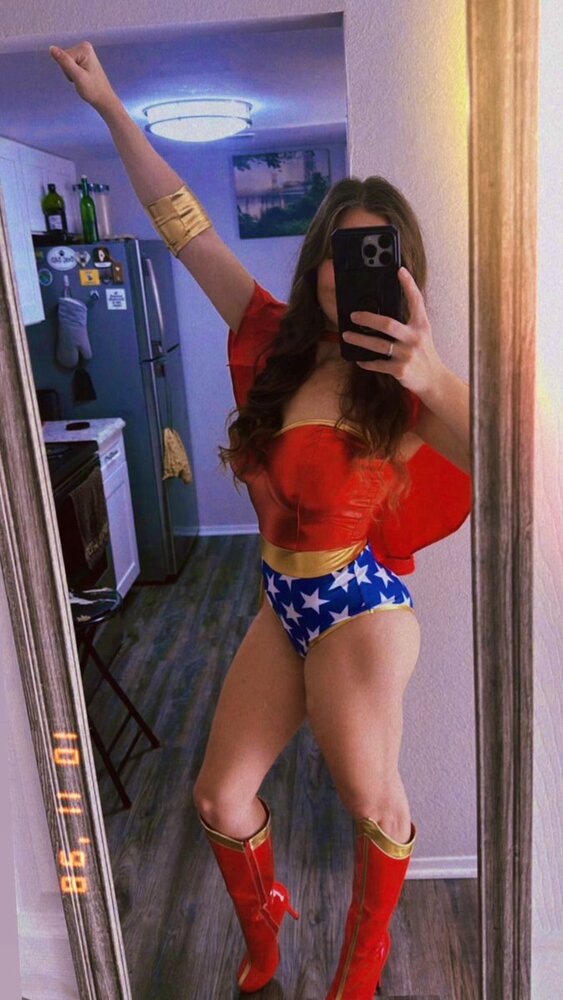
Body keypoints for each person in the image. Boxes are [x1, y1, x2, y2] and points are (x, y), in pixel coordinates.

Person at [50, 41, 472, 999]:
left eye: (374, 256)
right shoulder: (268, 336)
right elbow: (182, 222)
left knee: (369, 796)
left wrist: (431, 373)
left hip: (360, 608)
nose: (346, 274)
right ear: (319, 256)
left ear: (402, 271)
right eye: (338, 253)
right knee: (218, 795)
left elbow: (509, 456)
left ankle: (362, 960)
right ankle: (267, 926)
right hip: (281, 601)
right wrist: (110, 106)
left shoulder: (406, 384)